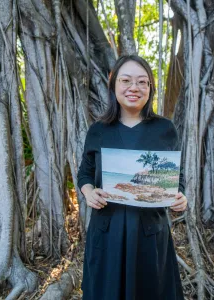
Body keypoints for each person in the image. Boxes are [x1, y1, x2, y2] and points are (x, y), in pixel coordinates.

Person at [77, 55, 188, 300]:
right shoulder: (98, 131)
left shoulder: (164, 129)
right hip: (108, 230)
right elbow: (85, 173)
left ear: (150, 88)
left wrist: (180, 197)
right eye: (126, 80)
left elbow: (176, 177)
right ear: (114, 85)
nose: (134, 88)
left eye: (142, 82)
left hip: (149, 231)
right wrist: (88, 192)